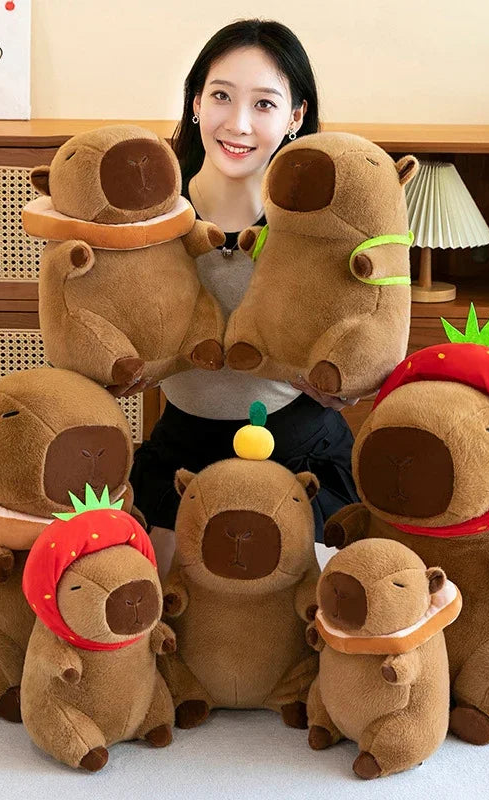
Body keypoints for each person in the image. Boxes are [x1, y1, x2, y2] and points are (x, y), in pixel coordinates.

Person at [130, 19, 359, 571]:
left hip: (299, 452)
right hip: (184, 450)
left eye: (264, 104)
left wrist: (349, 379)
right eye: (221, 96)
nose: (238, 123)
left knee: (307, 606)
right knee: (151, 602)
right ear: (195, 103)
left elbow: (361, 329)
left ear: (295, 117)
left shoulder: (322, 224)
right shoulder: (153, 215)